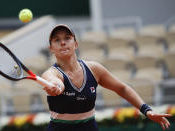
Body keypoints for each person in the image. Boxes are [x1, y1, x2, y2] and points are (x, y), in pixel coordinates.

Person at [41, 24, 171, 131]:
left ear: (76, 44)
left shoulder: (94, 69)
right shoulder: (51, 73)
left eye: (67, 38)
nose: (63, 42)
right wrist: (56, 86)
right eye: (57, 40)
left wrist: (147, 110)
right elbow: (54, 80)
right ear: (51, 48)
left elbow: (122, 89)